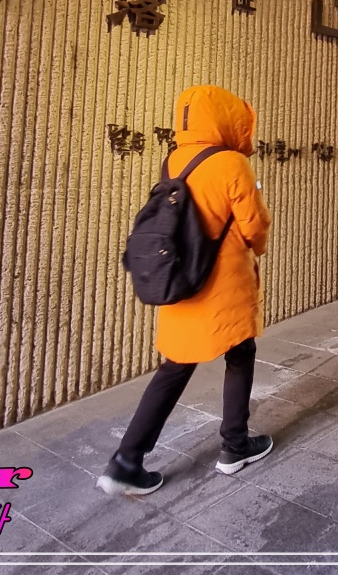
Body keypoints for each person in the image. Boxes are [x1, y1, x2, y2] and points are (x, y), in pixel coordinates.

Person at [98, 85, 275, 496]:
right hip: (223, 281)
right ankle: (235, 445)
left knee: (175, 365)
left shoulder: (174, 159)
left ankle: (127, 460)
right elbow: (254, 225)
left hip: (181, 277)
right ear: (227, 119)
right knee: (240, 352)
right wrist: (257, 247)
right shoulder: (232, 163)